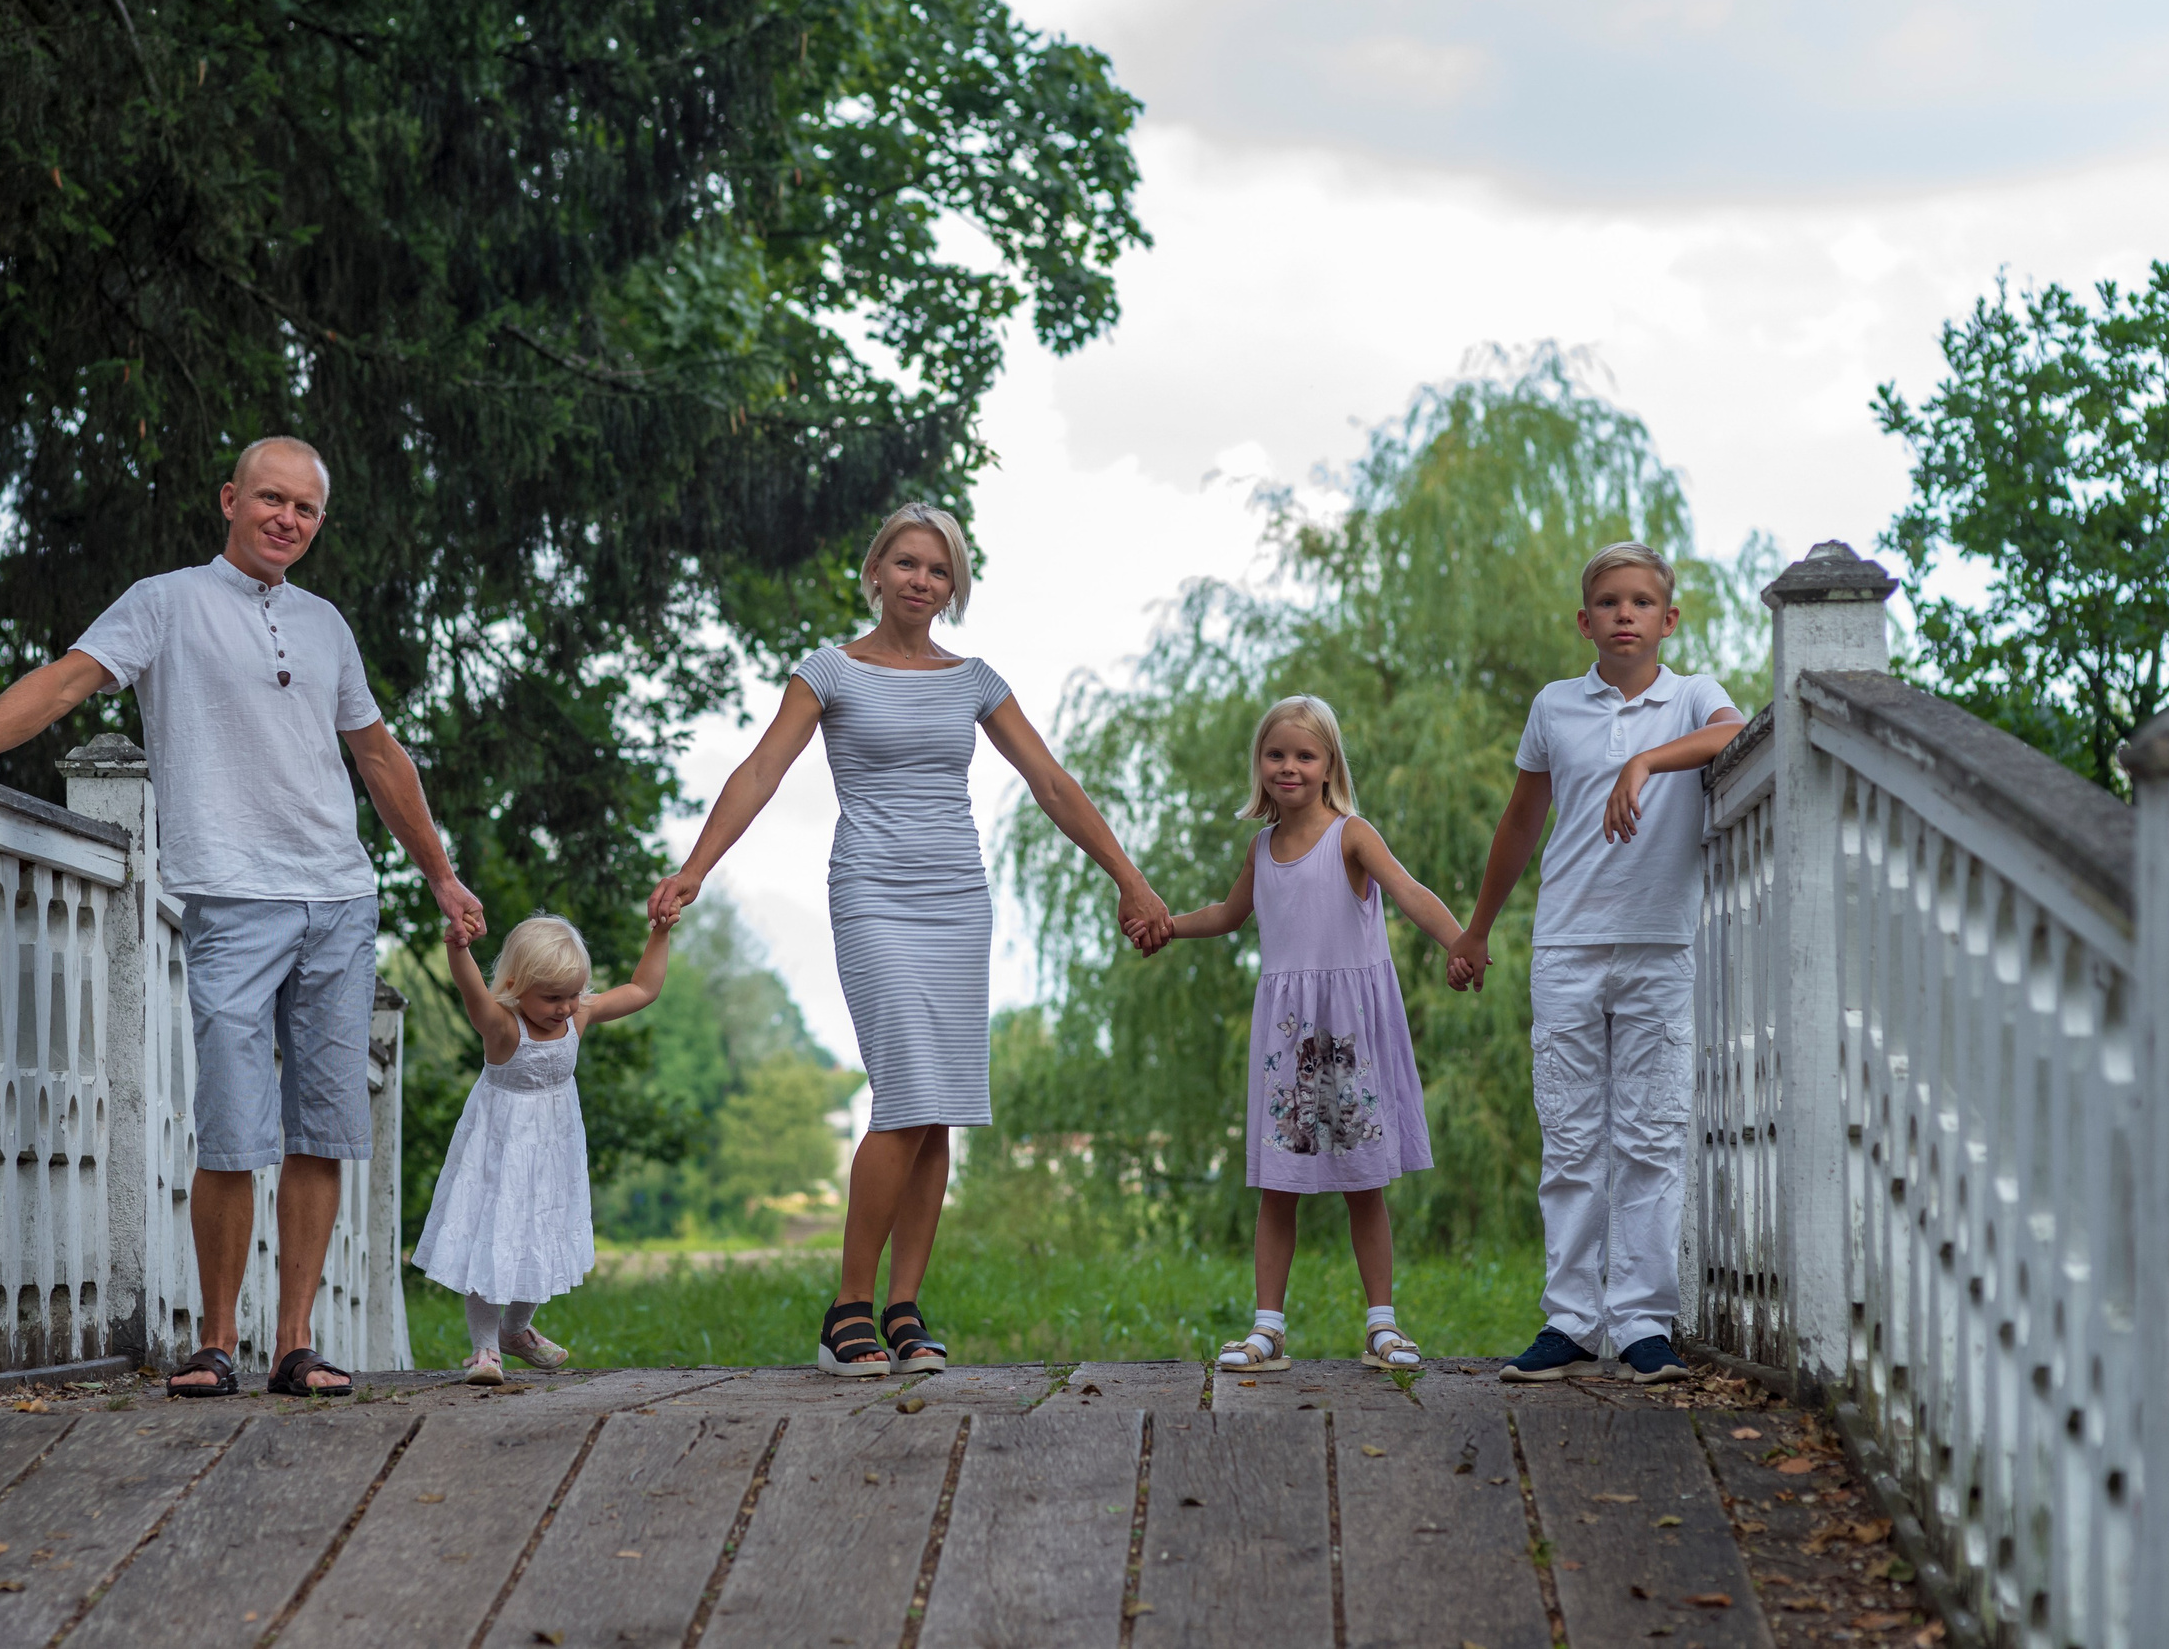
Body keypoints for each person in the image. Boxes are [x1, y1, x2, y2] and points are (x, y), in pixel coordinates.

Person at [0, 437, 486, 1397]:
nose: (285, 519)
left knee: (322, 1130)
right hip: (229, 896)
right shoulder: (165, 602)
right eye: (270, 499)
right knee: (229, 1125)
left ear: (318, 522)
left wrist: (441, 876)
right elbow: (67, 680)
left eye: (304, 507)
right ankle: (218, 1340)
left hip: (338, 897)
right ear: (230, 499)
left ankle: (294, 1342)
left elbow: (382, 761)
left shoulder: (328, 624)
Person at [648, 504, 1169, 1378]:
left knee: (942, 1106)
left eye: (938, 569)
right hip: (873, 893)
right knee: (907, 1091)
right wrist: (699, 863)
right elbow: (763, 767)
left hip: (958, 899)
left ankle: (904, 1307)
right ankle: (846, 1306)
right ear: (876, 570)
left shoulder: (974, 681)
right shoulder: (830, 671)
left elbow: (1049, 778)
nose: (921, 580)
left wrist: (1129, 875)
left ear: (952, 585)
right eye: (906, 563)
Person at [1447, 540, 1743, 1386]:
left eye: (1642, 602)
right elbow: (1519, 823)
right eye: (1608, 602)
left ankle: (1644, 1321)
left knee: (1650, 1137)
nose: (1625, 614)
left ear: (1668, 618)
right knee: (1573, 1136)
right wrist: (1476, 927)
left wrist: (1647, 758)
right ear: (1585, 620)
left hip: (1659, 946)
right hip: (1568, 944)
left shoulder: (1691, 697)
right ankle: (1572, 1319)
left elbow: (1736, 731)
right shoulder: (1555, 706)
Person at [1153, 696, 1470, 1372]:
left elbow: (1410, 892)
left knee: (1363, 1184)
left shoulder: (1351, 835)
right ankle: (1268, 1328)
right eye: (1277, 755)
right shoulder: (1261, 847)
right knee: (1280, 1186)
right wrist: (1170, 924)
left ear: (1329, 765)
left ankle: (1381, 1325)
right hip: (1290, 1040)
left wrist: (1459, 941)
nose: (1289, 766)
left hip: (1349, 1035)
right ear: (1259, 765)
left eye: (1305, 755)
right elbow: (1230, 913)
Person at [414, 912, 673, 1384]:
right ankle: (486, 1349)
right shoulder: (502, 1027)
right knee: (492, 1235)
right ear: (516, 986)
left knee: (543, 1233)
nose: (567, 1007)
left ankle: (516, 1331)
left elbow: (643, 989)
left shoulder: (580, 1015)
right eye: (553, 997)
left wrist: (660, 932)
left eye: (574, 994)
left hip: (553, 1148)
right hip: (500, 1147)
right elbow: (473, 992)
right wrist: (458, 947)